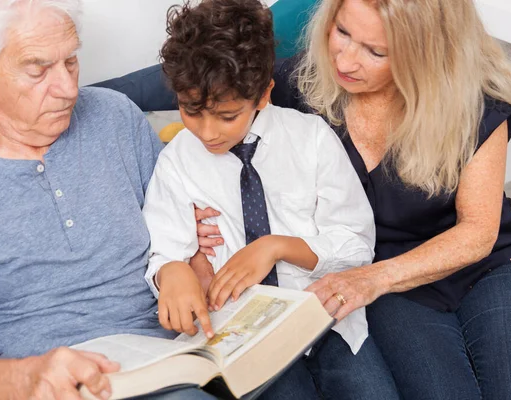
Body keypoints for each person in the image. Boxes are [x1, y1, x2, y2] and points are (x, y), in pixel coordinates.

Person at [96, 0, 511, 398]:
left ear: (423, 52)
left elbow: (477, 231)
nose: (344, 60)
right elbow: (202, 77)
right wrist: (75, 95)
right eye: (341, 32)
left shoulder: (473, 103)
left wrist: (367, 278)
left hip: (478, 265)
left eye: (374, 51)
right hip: (380, 284)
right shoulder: (297, 80)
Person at [0, 1, 217, 399]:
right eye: (38, 69)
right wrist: (28, 378)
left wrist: (197, 266)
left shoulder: (117, 117)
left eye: (71, 61)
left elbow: (188, 232)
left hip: (169, 364)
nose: (68, 89)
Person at [142, 1, 400, 400]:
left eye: (226, 116)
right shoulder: (177, 161)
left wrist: (276, 248)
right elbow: (164, 248)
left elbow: (356, 245)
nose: (207, 132)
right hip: (243, 332)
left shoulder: (311, 138)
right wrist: (171, 272)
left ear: (263, 95)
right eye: (191, 111)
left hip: (328, 318)